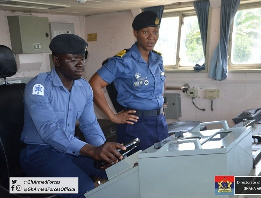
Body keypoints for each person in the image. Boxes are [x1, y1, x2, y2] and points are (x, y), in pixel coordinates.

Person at [20, 34, 125, 198]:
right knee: (86, 189)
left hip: (70, 150)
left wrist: (103, 151)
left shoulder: (84, 88)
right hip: (39, 154)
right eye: (72, 59)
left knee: (119, 172)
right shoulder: (38, 87)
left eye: (82, 59)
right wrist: (91, 150)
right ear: (56, 60)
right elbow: (49, 131)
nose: (80, 64)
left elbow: (90, 125)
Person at [89, 11, 169, 151]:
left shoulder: (158, 59)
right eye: (146, 32)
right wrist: (112, 116)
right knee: (138, 168)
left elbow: (162, 83)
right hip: (136, 124)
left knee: (162, 164)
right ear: (135, 33)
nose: (152, 37)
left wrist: (158, 104)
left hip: (159, 122)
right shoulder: (122, 61)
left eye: (155, 32)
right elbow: (94, 84)